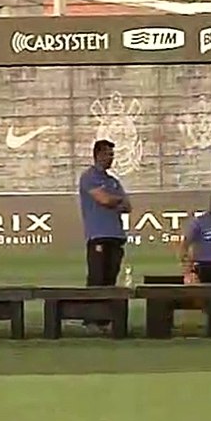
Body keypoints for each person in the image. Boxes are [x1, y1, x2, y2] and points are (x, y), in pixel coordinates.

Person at [79, 139, 130, 328]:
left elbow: (127, 206)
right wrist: (115, 200)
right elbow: (104, 200)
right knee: (97, 277)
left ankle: (105, 318)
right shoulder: (89, 177)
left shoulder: (112, 181)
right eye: (108, 154)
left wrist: (114, 200)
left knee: (110, 277)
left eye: (112, 155)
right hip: (98, 235)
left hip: (116, 235)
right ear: (98, 154)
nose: (111, 158)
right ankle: (91, 318)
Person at [181, 204, 211, 284]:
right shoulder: (199, 222)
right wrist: (189, 272)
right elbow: (184, 246)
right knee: (192, 282)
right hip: (201, 265)